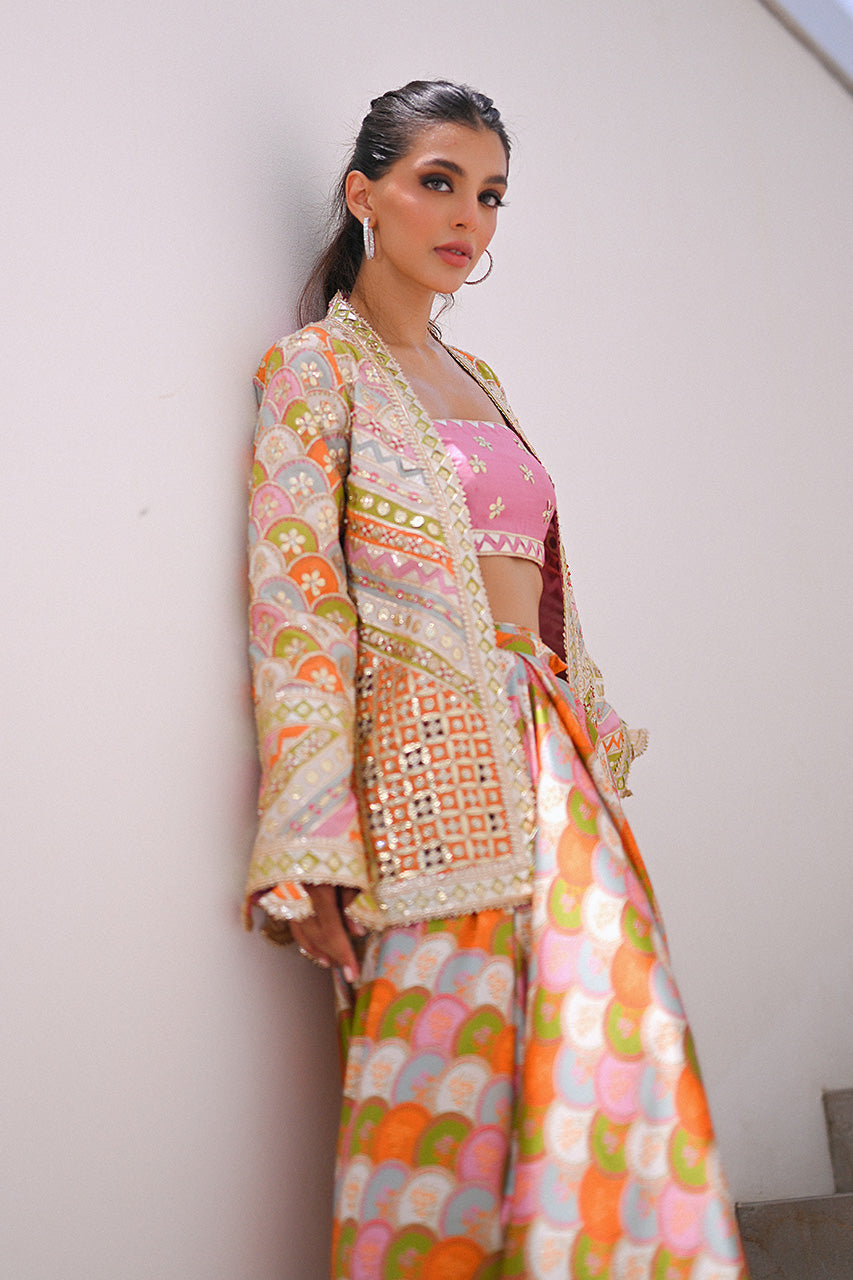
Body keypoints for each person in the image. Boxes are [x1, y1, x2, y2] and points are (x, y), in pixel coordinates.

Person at [245, 80, 748, 1280]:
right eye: (438, 182)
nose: (467, 217)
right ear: (363, 195)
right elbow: (296, 602)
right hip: (427, 783)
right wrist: (309, 834)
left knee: (615, 1063)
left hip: (551, 760)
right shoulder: (317, 371)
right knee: (447, 1098)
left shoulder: (480, 377)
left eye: (489, 195)